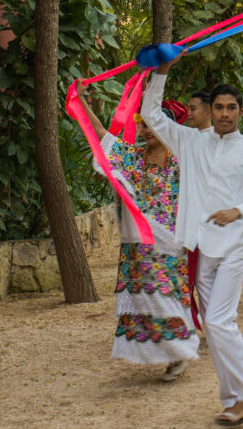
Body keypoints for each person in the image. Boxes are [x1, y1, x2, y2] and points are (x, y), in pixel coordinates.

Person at [142, 56, 243, 427]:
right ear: (210, 111)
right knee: (215, 327)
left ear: (240, 110)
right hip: (199, 246)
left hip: (233, 245)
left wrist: (239, 210)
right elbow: (151, 114)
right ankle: (235, 397)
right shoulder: (190, 141)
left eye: (231, 107)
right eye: (218, 107)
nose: (224, 114)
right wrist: (162, 71)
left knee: (218, 320)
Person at [76, 81, 198, 382]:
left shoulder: (182, 161)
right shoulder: (134, 157)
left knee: (166, 296)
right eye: (142, 126)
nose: (145, 131)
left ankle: (179, 351)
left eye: (151, 125)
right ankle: (172, 353)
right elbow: (104, 138)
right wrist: (81, 105)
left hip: (169, 241)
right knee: (144, 297)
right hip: (138, 244)